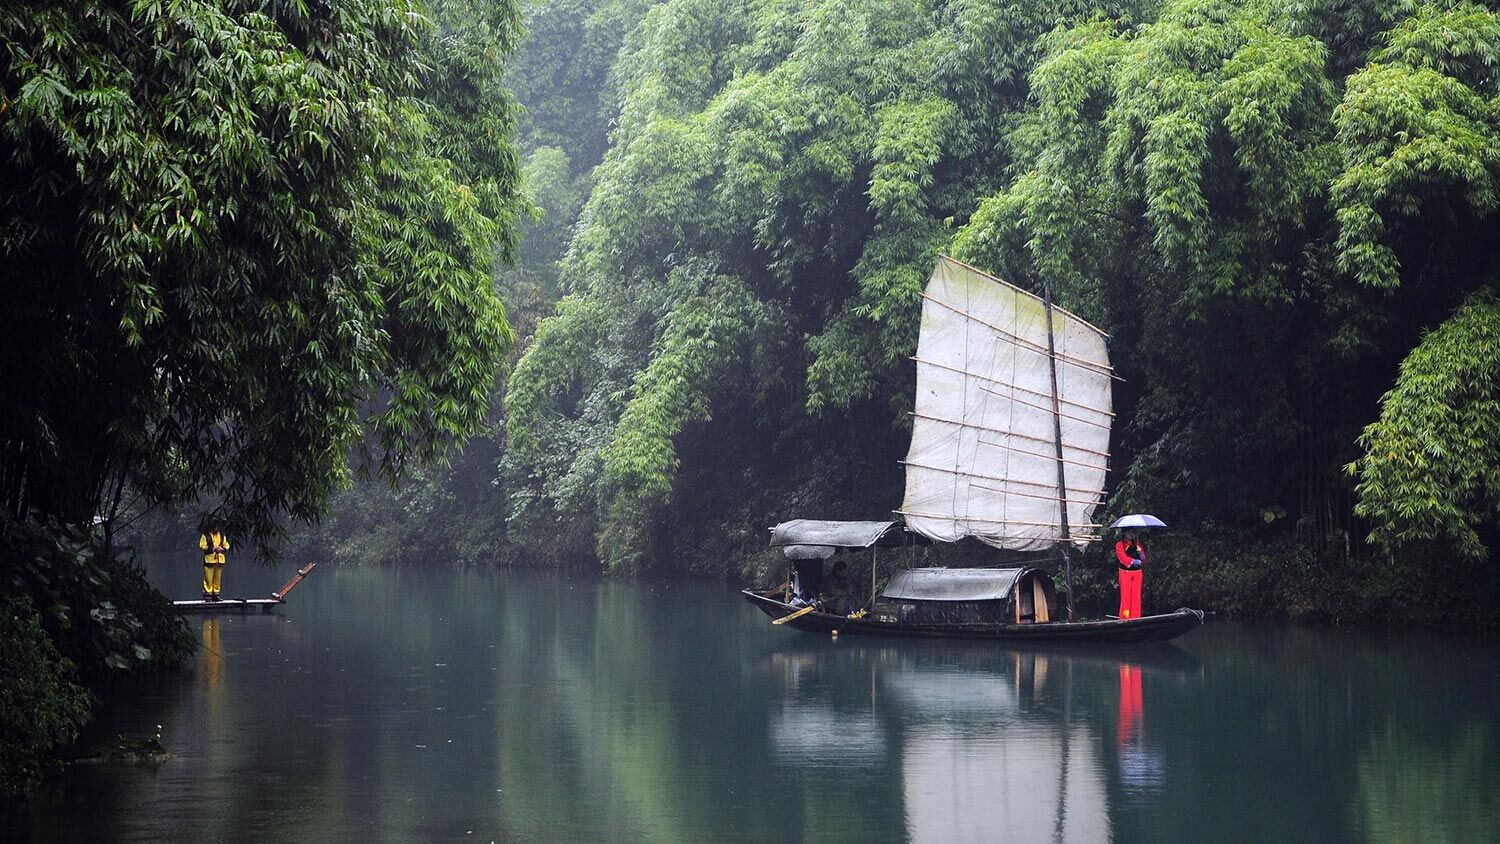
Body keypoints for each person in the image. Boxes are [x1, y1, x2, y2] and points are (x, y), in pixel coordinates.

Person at [1114, 528, 1145, 619]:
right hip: (1125, 573)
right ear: (1124, 533)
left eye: (1133, 532)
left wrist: (1140, 555)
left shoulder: (1137, 544)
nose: (1131, 534)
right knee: (1126, 597)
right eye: (1129, 532)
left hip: (1137, 573)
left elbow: (1143, 559)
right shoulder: (1120, 544)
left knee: (1136, 597)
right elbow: (1123, 558)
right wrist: (1133, 561)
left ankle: (1135, 617)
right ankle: (1125, 617)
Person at [199, 519, 230, 601]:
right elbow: (202, 546)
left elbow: (226, 545)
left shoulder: (222, 535)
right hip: (210, 560)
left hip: (219, 560)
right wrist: (213, 549)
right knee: (208, 578)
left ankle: (216, 595)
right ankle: (208, 595)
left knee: (217, 578)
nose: (216, 528)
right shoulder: (206, 535)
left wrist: (222, 549)